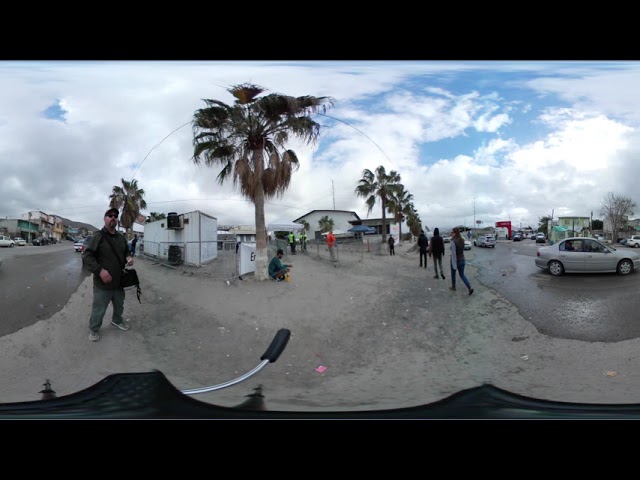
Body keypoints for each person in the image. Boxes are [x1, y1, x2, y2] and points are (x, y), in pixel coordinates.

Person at [83, 208, 134, 342]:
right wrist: (100, 270)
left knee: (119, 305)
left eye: (115, 216)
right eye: (110, 215)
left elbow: (126, 252)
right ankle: (94, 329)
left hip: (118, 283)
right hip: (102, 284)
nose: (113, 218)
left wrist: (128, 258)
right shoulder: (98, 236)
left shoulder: (121, 238)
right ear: (105, 219)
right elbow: (87, 256)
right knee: (99, 309)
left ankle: (116, 320)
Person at [449, 227, 473, 295]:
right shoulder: (462, 240)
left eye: (452, 232)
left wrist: (453, 263)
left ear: (455, 233)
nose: (451, 233)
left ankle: (453, 286)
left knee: (453, 274)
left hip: (455, 260)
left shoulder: (453, 241)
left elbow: (453, 253)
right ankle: (469, 288)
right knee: (462, 274)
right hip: (462, 259)